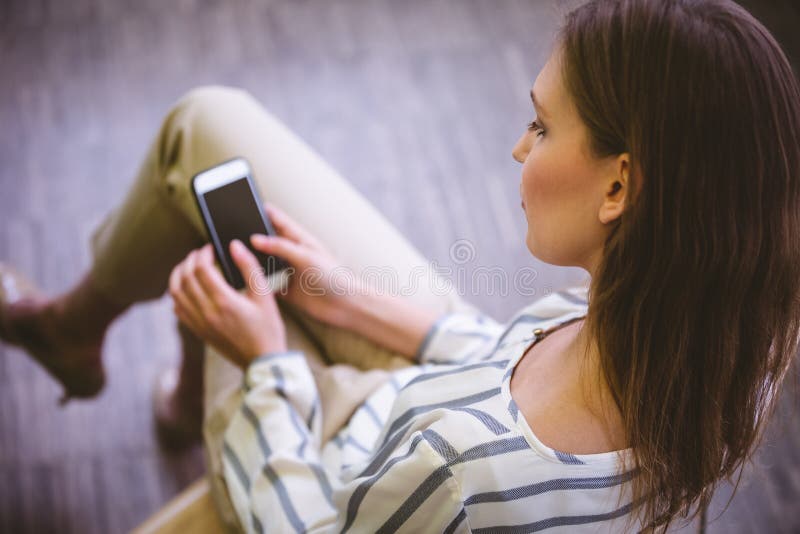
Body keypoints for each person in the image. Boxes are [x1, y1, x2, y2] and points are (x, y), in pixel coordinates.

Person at [2, 0, 800, 531]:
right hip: (416, 403)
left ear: (619, 185)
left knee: (218, 237)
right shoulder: (710, 334)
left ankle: (115, 351)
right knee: (212, 133)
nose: (519, 146)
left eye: (541, 126)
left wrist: (268, 364)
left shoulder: (460, 477)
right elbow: (502, 360)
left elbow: (313, 525)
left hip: (344, 472)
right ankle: (98, 341)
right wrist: (352, 301)